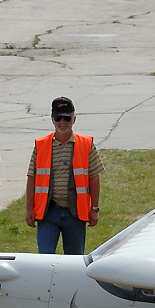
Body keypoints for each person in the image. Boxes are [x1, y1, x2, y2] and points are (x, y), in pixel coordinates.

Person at [25, 97, 104, 255]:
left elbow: (94, 178)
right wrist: (29, 209)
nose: (62, 122)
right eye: (58, 118)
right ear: (52, 119)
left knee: (74, 262)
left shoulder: (86, 144)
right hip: (48, 213)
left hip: (75, 213)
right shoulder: (41, 145)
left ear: (74, 119)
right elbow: (31, 177)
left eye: (67, 118)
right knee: (44, 260)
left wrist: (94, 209)